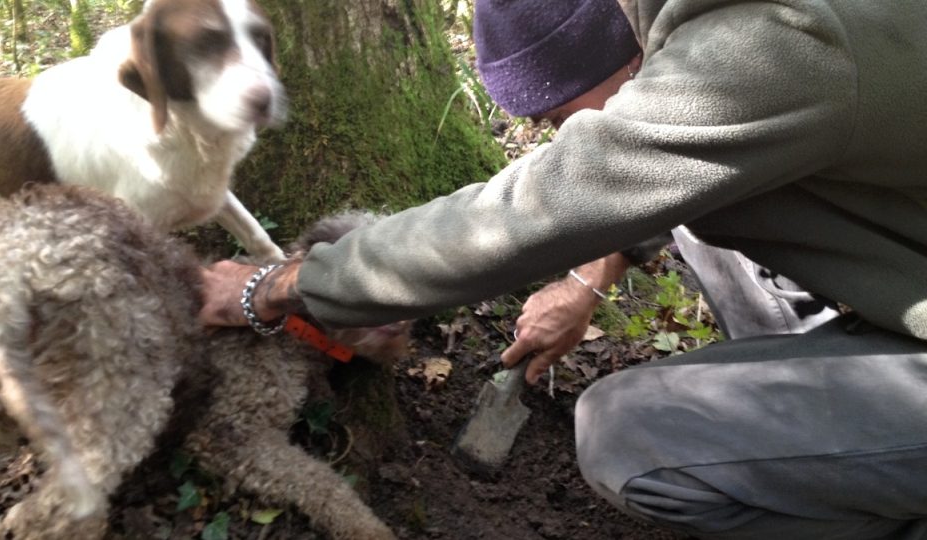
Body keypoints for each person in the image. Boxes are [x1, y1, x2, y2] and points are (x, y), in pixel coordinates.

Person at [199, 0, 927, 538]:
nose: (558, 136)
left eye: (556, 121)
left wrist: (281, 285)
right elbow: (656, 162)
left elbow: (538, 208)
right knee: (701, 210)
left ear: (634, 64)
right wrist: (585, 281)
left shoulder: (778, 45)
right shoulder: (749, 36)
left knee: (625, 432)